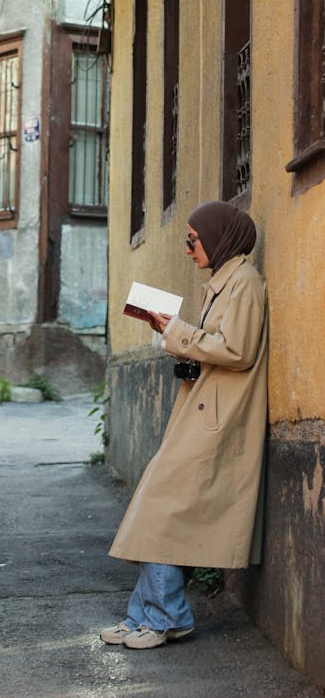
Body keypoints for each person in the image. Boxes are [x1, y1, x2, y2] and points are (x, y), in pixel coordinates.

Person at [100, 200, 268, 650]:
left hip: (218, 418)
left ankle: (166, 618)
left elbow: (238, 351)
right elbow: (216, 345)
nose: (187, 249)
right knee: (160, 515)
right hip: (201, 411)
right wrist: (173, 333)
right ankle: (145, 616)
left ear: (218, 237)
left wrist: (180, 332)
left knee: (159, 512)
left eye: (192, 240)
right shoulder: (224, 284)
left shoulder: (245, 283)